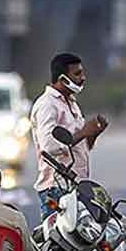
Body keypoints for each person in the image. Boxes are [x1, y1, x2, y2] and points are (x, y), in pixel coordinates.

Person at [31, 52, 108, 220]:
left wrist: (93, 133)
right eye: (77, 73)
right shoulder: (47, 105)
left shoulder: (71, 103)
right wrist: (83, 132)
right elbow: (49, 146)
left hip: (76, 186)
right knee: (59, 242)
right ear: (63, 78)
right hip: (56, 188)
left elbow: (80, 145)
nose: (83, 77)